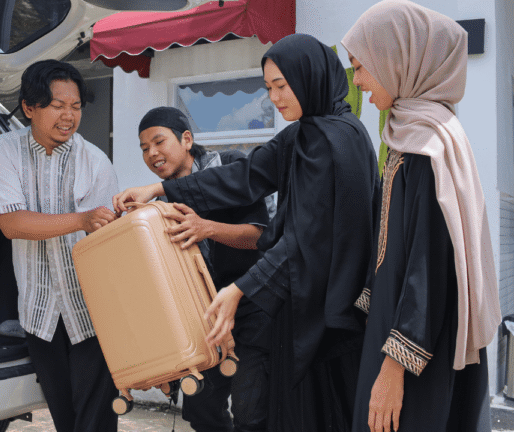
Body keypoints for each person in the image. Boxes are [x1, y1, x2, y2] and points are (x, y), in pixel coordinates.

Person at [114, 33, 380, 431]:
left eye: (282, 86)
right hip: (299, 306)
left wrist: (239, 290)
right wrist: (160, 189)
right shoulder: (303, 133)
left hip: (329, 314)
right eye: (268, 87)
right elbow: (246, 175)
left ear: (310, 78)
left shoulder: (336, 141)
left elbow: (305, 240)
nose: (273, 97)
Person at [341, 1, 501, 431]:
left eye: (361, 66)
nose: (356, 80)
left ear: (398, 61)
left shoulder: (429, 148)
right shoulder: (409, 136)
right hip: (398, 329)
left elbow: (428, 270)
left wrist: (395, 369)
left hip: (417, 353)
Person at [0, 59, 119, 432]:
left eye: (75, 107)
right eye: (58, 105)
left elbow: (107, 240)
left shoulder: (96, 161)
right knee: (64, 419)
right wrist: (81, 219)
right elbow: (12, 224)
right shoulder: (3, 150)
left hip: (91, 311)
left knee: (97, 422)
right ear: (30, 107)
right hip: (39, 313)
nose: (68, 116)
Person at [136, 106, 272, 432]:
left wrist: (206, 228)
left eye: (159, 141)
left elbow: (260, 237)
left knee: (250, 412)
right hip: (203, 318)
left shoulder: (230, 167)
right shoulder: (158, 208)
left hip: (253, 307)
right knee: (200, 410)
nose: (152, 153)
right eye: (144, 148)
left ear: (186, 139)